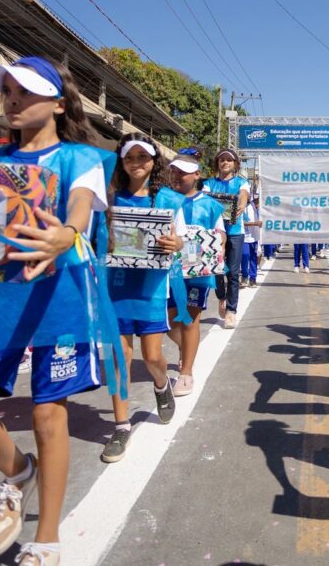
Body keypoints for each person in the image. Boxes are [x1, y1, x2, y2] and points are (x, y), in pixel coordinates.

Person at [0, 56, 112, 565]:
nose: (14, 99)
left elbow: (79, 205)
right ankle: (20, 472)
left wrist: (67, 232)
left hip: (59, 300)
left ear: (59, 105)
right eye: (10, 91)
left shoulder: (80, 157)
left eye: (28, 91)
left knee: (47, 414)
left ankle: (47, 538)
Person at [101, 133, 186, 463]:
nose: (136, 163)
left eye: (143, 157)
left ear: (154, 161)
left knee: (152, 358)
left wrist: (176, 244)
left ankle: (162, 385)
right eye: (129, 157)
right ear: (121, 161)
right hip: (116, 287)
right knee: (119, 357)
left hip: (151, 289)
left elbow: (182, 240)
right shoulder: (108, 197)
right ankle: (121, 426)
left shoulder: (169, 199)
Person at [168, 148, 226, 396]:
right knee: (169, 320)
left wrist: (215, 246)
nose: (177, 176)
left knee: (190, 319)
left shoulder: (211, 205)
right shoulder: (164, 200)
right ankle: (187, 348)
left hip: (197, 271)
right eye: (174, 171)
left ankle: (186, 373)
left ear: (197, 175)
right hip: (168, 270)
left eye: (183, 172)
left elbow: (220, 234)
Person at [203, 149, 249, 328]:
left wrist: (241, 204)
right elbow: (204, 201)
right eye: (222, 160)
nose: (225, 163)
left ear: (235, 164)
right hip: (214, 233)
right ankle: (221, 297)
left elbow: (243, 195)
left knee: (233, 273)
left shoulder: (241, 182)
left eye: (229, 160)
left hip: (235, 232)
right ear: (217, 163)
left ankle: (231, 311)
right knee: (217, 270)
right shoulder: (208, 184)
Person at [242, 196, 262, 287]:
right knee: (245, 255)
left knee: (254, 257)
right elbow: (240, 223)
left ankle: (253, 279)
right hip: (243, 236)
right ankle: (244, 276)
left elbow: (261, 198)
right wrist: (254, 223)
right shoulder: (240, 206)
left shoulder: (254, 205)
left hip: (254, 237)